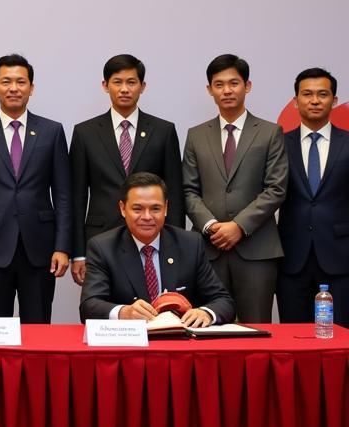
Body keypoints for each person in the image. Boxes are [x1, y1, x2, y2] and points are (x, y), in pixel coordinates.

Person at [0, 53, 71, 323]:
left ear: (31, 88)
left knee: (39, 326)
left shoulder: (52, 131)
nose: (13, 88)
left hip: (41, 247)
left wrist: (63, 247)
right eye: (6, 81)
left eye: (21, 82)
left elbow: (64, 193)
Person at [183, 53, 288, 323]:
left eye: (234, 83)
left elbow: (276, 188)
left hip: (257, 250)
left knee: (256, 327)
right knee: (207, 328)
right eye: (219, 85)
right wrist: (211, 226)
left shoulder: (269, 132)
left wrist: (238, 226)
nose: (227, 90)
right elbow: (188, 190)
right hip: (209, 249)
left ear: (247, 86)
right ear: (210, 90)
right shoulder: (196, 134)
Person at [69, 54, 185, 285]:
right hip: (100, 237)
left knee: (152, 308)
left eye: (131, 82)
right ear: (105, 85)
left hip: (152, 236)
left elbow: (174, 193)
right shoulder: (85, 132)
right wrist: (78, 252)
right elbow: (76, 197)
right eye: (117, 82)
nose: (124, 89)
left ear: (142, 86)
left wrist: (175, 245)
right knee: (102, 308)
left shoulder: (163, 131)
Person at [80, 172, 235, 325]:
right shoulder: (102, 247)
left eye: (155, 208)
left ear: (166, 208)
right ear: (122, 208)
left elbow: (223, 301)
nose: (147, 217)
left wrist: (206, 313)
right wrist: (124, 312)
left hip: (180, 342)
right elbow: (89, 306)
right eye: (137, 209)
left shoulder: (190, 244)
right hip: (130, 342)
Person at [277, 68, 349, 326]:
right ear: (295, 101)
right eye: (307, 94)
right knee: (294, 338)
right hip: (291, 257)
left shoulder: (347, 142)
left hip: (340, 256)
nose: (315, 100)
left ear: (335, 100)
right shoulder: (278, 144)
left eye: (322, 94)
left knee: (341, 340)